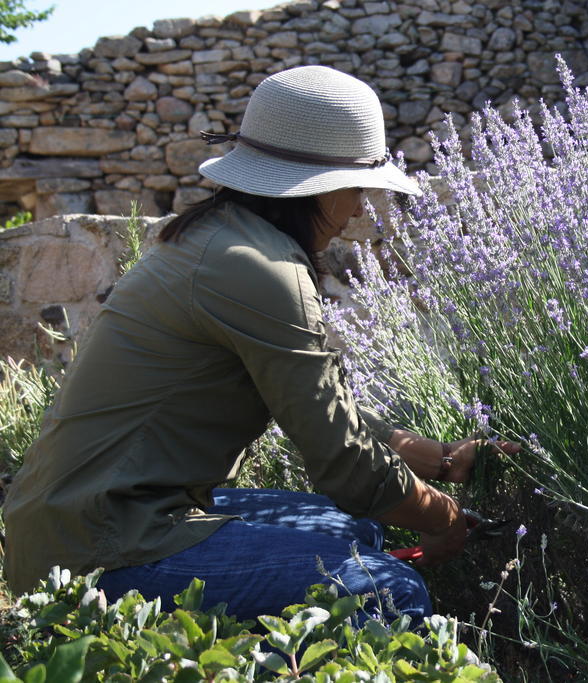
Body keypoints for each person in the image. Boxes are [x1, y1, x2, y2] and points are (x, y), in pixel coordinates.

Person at [1, 65, 516, 622]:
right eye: (357, 188)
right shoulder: (262, 271)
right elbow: (345, 464)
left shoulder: (221, 236)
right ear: (315, 189)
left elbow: (323, 412)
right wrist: (442, 519)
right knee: (389, 589)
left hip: (79, 520)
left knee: (356, 527)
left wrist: (439, 462)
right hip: (95, 548)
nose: (361, 209)